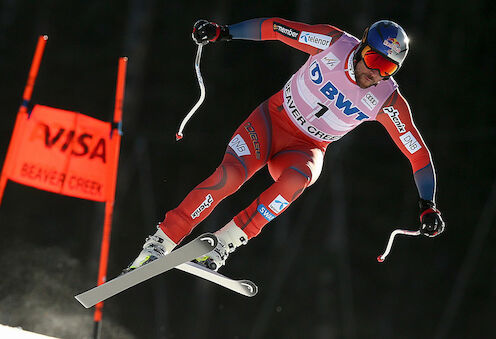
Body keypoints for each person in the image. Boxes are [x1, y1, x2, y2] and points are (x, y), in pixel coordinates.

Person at [124, 17, 445, 273]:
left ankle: (224, 242)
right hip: (270, 123)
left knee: (300, 178)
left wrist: (427, 204)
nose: (375, 73)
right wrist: (224, 32)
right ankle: (161, 242)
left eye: (388, 68)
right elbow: (276, 29)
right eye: (374, 59)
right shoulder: (333, 44)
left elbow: (416, 153)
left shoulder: (387, 99)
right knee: (230, 177)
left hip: (306, 148)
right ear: (361, 47)